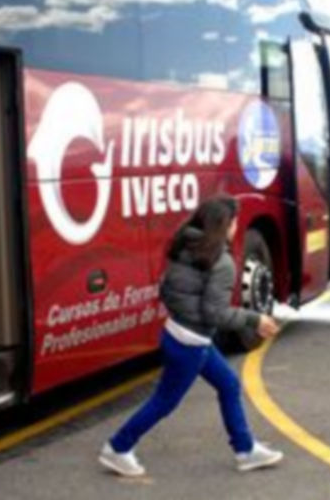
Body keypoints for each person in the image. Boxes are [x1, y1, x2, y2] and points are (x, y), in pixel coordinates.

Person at [99, 196, 283, 477]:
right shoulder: (221, 262)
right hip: (191, 344)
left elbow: (168, 291)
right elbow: (215, 313)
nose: (237, 227)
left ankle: (245, 449)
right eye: (235, 222)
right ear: (226, 226)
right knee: (165, 401)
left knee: (228, 384)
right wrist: (254, 319)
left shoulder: (184, 247)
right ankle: (118, 447)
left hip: (178, 333)